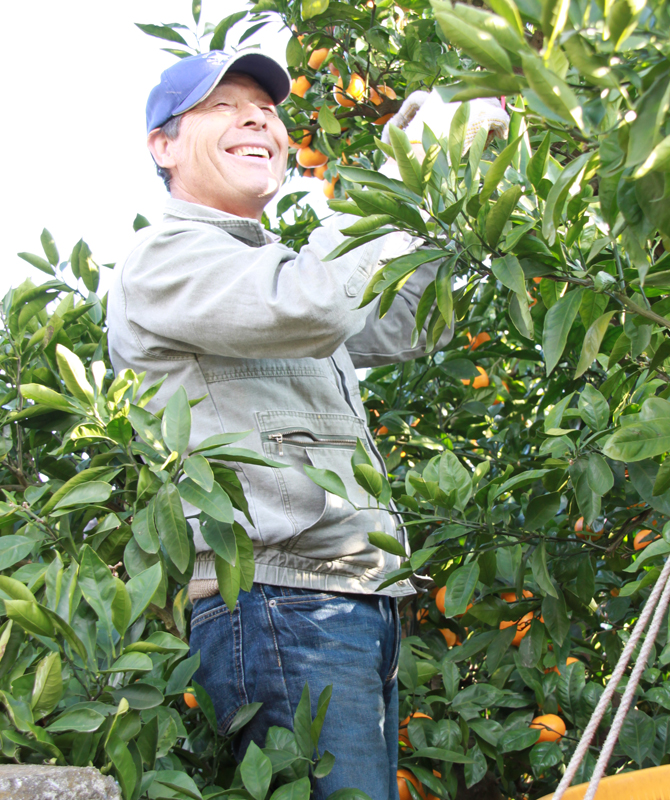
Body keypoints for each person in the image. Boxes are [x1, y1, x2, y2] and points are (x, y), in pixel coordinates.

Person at [108, 50, 507, 799]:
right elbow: (319, 302)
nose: (256, 116)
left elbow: (404, 325)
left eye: (265, 106)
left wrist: (444, 180)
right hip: (282, 604)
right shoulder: (165, 261)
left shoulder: (272, 265)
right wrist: (403, 166)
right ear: (163, 146)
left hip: (349, 599)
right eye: (222, 105)